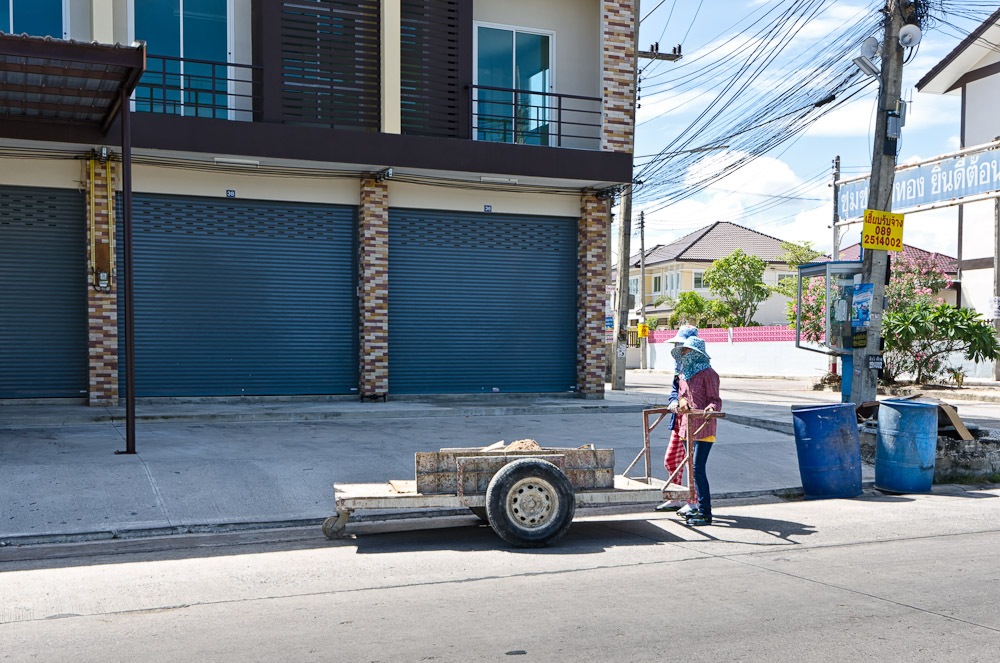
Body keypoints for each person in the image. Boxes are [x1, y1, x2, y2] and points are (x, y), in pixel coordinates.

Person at [671, 336, 721, 526]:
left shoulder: (709, 374)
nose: (684, 354)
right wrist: (682, 402)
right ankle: (697, 508)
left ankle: (706, 513)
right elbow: (681, 395)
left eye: (687, 351)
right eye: (683, 351)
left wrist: (711, 408)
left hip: (705, 427)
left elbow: (715, 400)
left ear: (697, 354)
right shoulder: (684, 374)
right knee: (692, 470)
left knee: (698, 469)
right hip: (687, 427)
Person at [654, 325, 699, 514]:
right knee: (672, 459)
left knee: (691, 464)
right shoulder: (679, 368)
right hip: (679, 420)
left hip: (694, 422)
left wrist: (688, 404)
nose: (680, 350)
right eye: (678, 346)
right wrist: (674, 401)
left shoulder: (701, 369)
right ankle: (675, 498)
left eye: (683, 346)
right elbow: (675, 389)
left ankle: (694, 502)